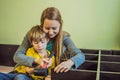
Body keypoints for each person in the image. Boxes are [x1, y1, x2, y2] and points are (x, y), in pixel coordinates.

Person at [13, 7, 85, 74]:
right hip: (26, 72)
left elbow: (80, 55)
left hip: (48, 74)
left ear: (60, 25)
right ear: (42, 25)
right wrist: (37, 60)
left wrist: (70, 62)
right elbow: (17, 56)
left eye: (54, 28)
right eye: (47, 28)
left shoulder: (64, 37)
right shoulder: (33, 34)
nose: (50, 32)